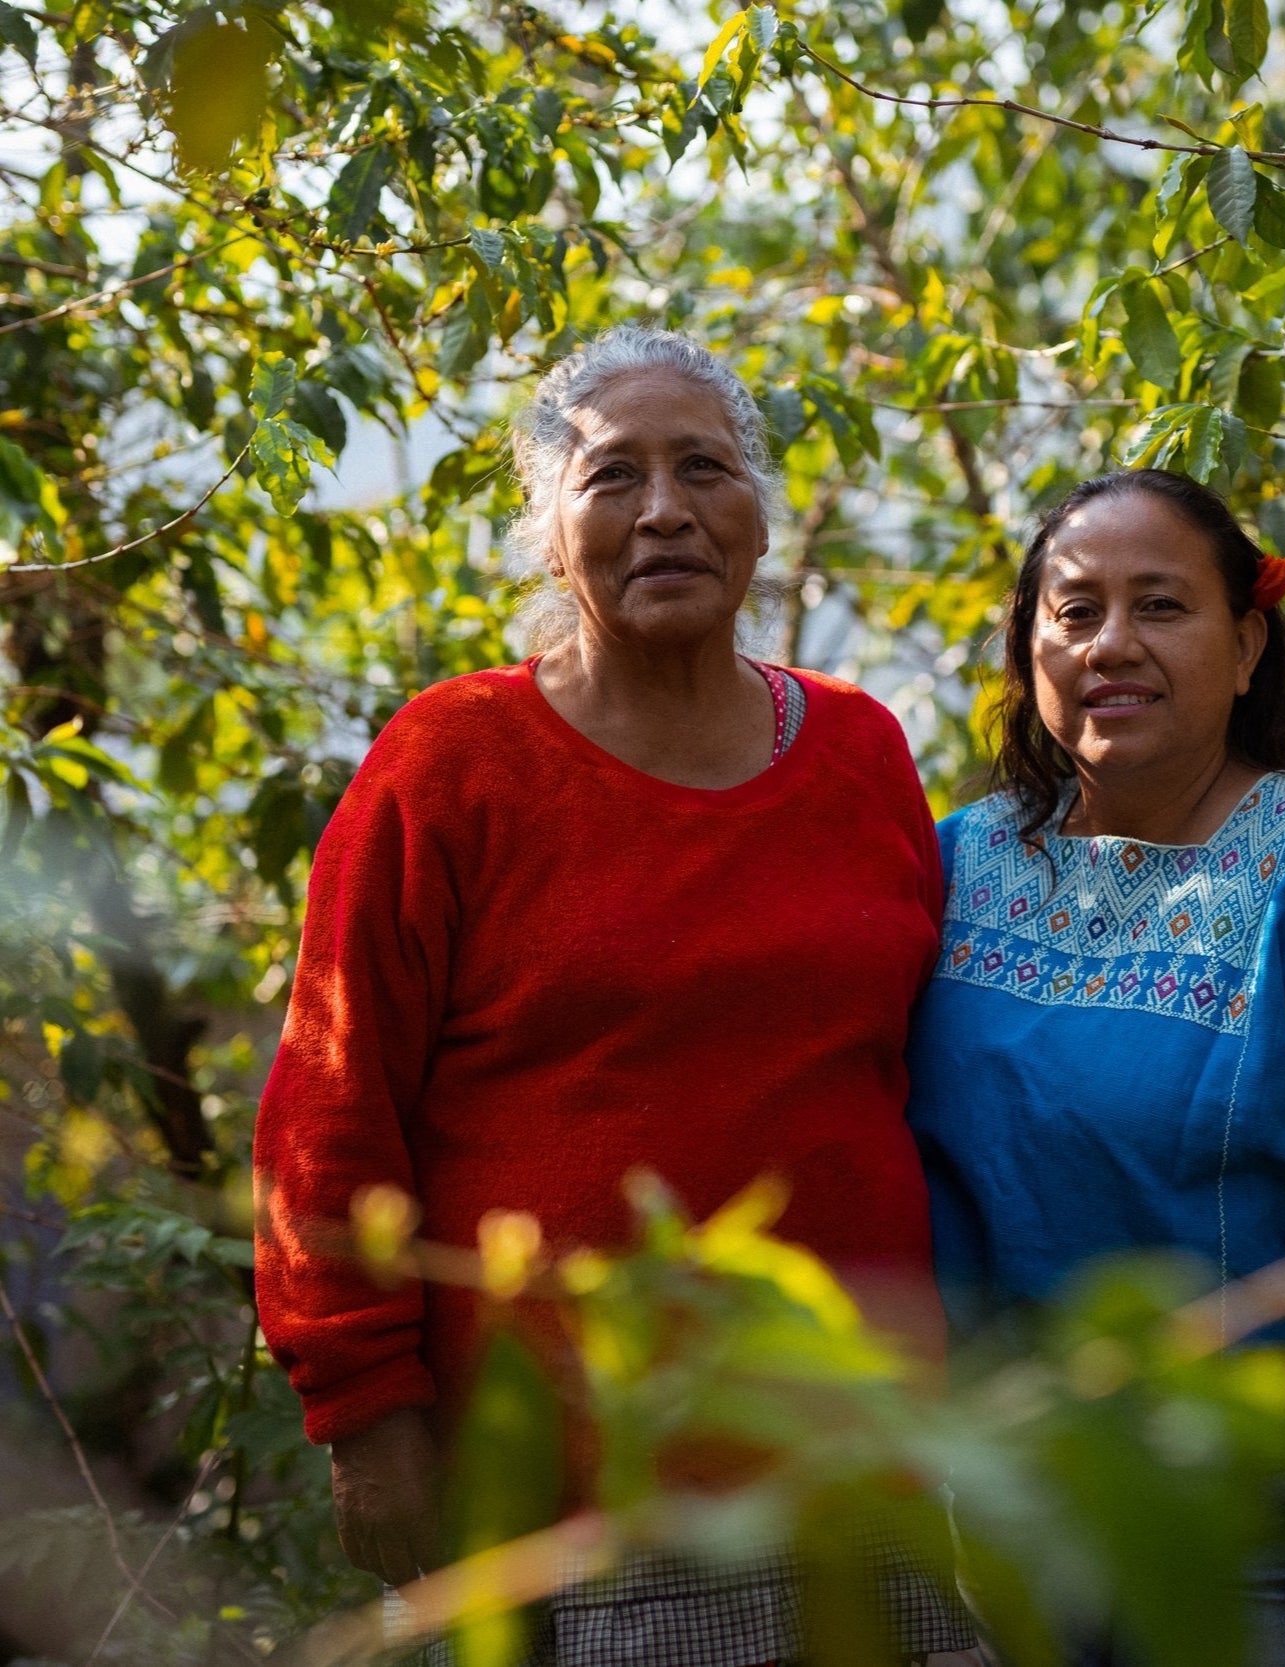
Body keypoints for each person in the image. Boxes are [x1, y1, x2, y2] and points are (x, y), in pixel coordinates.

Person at [253, 327, 974, 1666]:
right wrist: (364, 1411)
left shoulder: (863, 750)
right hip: (579, 1494)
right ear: (550, 534)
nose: (664, 510)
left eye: (703, 467)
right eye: (611, 477)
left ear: (758, 519)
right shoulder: (451, 762)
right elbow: (327, 1108)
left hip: (861, 1464)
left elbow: (917, 1069)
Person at [904, 469, 1285, 1667]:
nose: (1111, 644)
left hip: (1251, 1509)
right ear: (1030, 651)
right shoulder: (954, 859)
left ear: (1245, 645)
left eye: (1161, 606)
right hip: (1007, 1500)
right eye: (1074, 612)